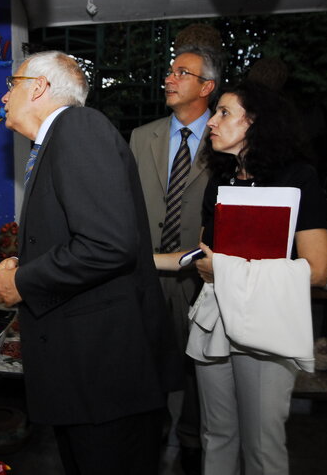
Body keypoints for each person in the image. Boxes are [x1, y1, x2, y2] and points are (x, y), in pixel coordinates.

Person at [0, 50, 182, 475]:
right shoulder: (60, 140)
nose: (4, 98)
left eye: (10, 85)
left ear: (37, 87)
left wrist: (23, 281)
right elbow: (79, 233)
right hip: (86, 374)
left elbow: (108, 245)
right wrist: (25, 260)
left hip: (104, 375)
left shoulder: (78, 127)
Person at [157, 80, 327, 474]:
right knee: (215, 436)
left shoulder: (297, 178)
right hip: (215, 319)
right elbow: (200, 256)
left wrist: (226, 270)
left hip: (267, 327)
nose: (212, 122)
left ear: (255, 123)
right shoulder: (219, 183)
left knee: (261, 446)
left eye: (223, 113)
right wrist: (139, 258)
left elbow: (318, 271)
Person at [129, 44, 223, 474]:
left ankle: (191, 441)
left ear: (207, 86)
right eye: (169, 71)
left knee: (198, 367)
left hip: (201, 278)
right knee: (144, 358)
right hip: (146, 269)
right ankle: (150, 433)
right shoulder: (141, 136)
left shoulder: (226, 140)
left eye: (181, 73)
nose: (169, 79)